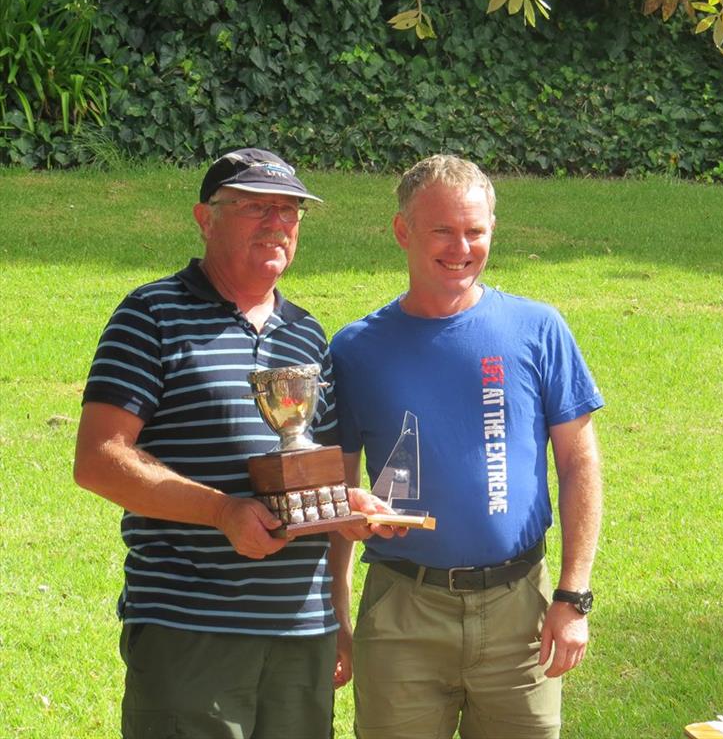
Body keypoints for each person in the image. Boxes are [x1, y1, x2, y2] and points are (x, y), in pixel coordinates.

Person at [73, 148, 389, 739]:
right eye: (254, 208)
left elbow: (303, 471)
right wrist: (221, 511)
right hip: (192, 630)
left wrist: (343, 508)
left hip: (301, 630)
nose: (277, 223)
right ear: (205, 216)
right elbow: (98, 461)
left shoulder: (307, 333)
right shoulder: (150, 315)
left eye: (290, 210)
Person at [330, 154, 604, 739]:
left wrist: (573, 599)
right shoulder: (355, 349)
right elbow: (336, 493)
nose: (462, 247)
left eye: (475, 231)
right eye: (442, 230)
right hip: (403, 610)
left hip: (521, 612)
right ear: (402, 230)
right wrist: (337, 617)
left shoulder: (537, 328)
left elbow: (579, 467)